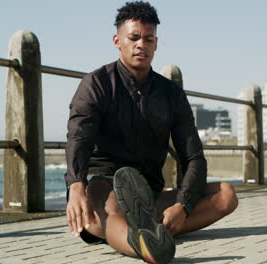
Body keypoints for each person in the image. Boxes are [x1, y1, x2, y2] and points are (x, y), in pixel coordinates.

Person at [64, 2, 238, 263]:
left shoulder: (171, 94)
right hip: (103, 188)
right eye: (133, 38)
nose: (140, 45)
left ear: (156, 43)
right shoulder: (96, 83)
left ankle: (154, 229)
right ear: (117, 40)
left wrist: (183, 205)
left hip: (148, 195)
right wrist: (76, 185)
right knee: (111, 208)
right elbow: (79, 136)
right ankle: (144, 245)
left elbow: (193, 158)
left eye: (148, 39)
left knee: (226, 195)